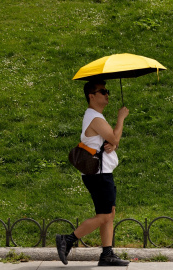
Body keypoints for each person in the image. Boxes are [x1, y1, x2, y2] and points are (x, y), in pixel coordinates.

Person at [56, 80, 130, 266]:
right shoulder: (94, 117)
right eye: (102, 91)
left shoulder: (96, 117)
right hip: (99, 175)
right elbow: (114, 137)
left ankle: (107, 254)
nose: (107, 94)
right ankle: (68, 239)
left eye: (107, 91)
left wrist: (112, 143)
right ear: (92, 96)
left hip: (101, 173)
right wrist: (121, 118)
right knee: (105, 215)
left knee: (108, 213)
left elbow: (110, 140)